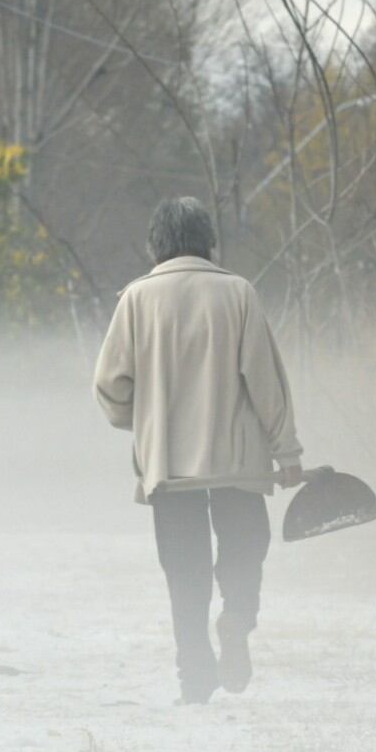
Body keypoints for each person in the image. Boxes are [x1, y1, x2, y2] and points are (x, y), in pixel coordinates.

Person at [93, 197, 304, 705]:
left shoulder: (137, 300)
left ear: (155, 244)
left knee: (183, 570)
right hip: (238, 462)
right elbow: (265, 381)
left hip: (170, 466)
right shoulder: (238, 293)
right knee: (246, 548)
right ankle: (237, 618)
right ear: (208, 240)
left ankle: (195, 677)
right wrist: (287, 450)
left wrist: (143, 425)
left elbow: (109, 385)